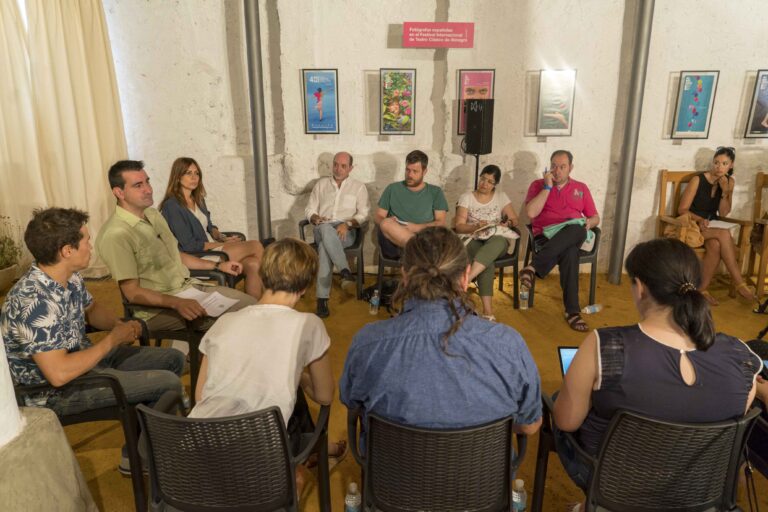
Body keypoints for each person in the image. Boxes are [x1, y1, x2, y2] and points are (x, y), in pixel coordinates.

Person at [552, 238, 761, 490]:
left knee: (557, 402)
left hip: (614, 487)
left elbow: (566, 422)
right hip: (698, 491)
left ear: (640, 287)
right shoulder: (740, 356)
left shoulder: (607, 346)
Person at [1, 207, 184, 473]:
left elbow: (92, 309)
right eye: (86, 240)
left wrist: (120, 326)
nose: (91, 245)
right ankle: (148, 459)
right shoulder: (34, 301)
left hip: (84, 360)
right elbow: (58, 375)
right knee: (166, 382)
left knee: (173, 360)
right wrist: (111, 341)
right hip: (52, 392)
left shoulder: (69, 276)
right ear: (67, 250)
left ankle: (139, 448)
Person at [340, 227, 542, 436]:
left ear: (405, 277)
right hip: (483, 458)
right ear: (465, 277)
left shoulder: (368, 343)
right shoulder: (508, 344)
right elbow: (529, 426)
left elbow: (351, 402)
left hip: (391, 457)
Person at [190, 238, 346, 466]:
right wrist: (300, 377)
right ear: (305, 287)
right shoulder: (309, 324)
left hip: (199, 447)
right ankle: (304, 465)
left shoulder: (224, 321)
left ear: (262, 277)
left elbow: (200, 396)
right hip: (262, 455)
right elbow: (324, 395)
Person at [96, 160, 257, 334]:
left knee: (254, 307)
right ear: (119, 192)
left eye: (147, 182)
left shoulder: (153, 214)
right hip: (157, 310)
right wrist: (177, 303)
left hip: (188, 288)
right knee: (246, 317)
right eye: (138, 185)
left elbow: (176, 254)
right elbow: (132, 293)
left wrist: (218, 265)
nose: (148, 189)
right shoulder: (116, 234)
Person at [159, 157, 264, 298]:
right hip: (197, 256)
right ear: (177, 177)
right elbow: (189, 246)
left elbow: (209, 226)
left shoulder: (198, 199)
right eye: (188, 173)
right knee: (256, 245)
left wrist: (220, 236)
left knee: (253, 264)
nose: (194, 177)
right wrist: (221, 245)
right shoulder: (172, 206)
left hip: (211, 248)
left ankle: (256, 306)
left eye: (197, 173)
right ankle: (276, 292)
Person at [520, 150, 600, 332]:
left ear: (570, 168)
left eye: (562, 167)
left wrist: (589, 223)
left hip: (573, 233)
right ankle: (572, 312)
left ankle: (532, 267)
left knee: (577, 229)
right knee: (570, 252)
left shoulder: (581, 188)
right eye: (554, 166)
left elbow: (595, 217)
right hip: (546, 237)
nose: (557, 171)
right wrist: (547, 188)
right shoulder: (538, 185)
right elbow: (531, 213)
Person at [678, 146, 755, 304]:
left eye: (724, 164)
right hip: (692, 225)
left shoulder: (729, 182)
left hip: (711, 226)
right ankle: (739, 283)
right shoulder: (698, 180)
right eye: (716, 162)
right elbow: (682, 209)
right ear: (712, 163)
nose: (719, 167)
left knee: (716, 245)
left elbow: (724, 212)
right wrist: (700, 220)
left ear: (731, 165)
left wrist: (725, 192)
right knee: (724, 234)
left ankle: (701, 290)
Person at [304, 151, 369, 318]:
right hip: (322, 227)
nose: (338, 169)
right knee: (326, 229)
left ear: (351, 168)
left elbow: (363, 214)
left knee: (324, 248)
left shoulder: (358, 187)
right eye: (335, 164)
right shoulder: (321, 184)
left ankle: (322, 300)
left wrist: (347, 224)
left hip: (345, 231)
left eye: (343, 166)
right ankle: (344, 269)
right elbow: (309, 209)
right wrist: (315, 217)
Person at [453, 164, 519, 320]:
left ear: (495, 184)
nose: (484, 184)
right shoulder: (466, 197)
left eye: (490, 181)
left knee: (498, 242)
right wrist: (475, 226)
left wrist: (507, 223)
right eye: (483, 179)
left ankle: (467, 279)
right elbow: (459, 226)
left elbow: (515, 220)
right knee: (486, 262)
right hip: (473, 238)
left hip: (495, 240)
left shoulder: (501, 197)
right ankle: (488, 312)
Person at [375, 150, 449, 259]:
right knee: (385, 223)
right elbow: (378, 216)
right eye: (407, 170)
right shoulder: (392, 189)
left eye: (415, 171)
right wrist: (393, 225)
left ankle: (417, 250)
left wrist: (416, 228)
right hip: (396, 241)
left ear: (424, 172)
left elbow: (441, 223)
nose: (410, 175)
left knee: (438, 237)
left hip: (424, 238)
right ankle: (420, 251)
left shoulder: (435, 192)